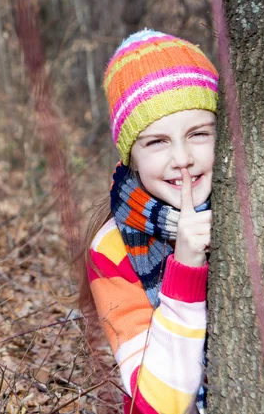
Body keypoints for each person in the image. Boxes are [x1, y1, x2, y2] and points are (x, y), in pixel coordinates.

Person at [79, 29, 218, 414]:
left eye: (199, 134)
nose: (182, 158)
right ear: (132, 157)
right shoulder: (111, 251)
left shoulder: (254, 214)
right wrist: (186, 269)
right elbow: (155, 407)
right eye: (156, 142)